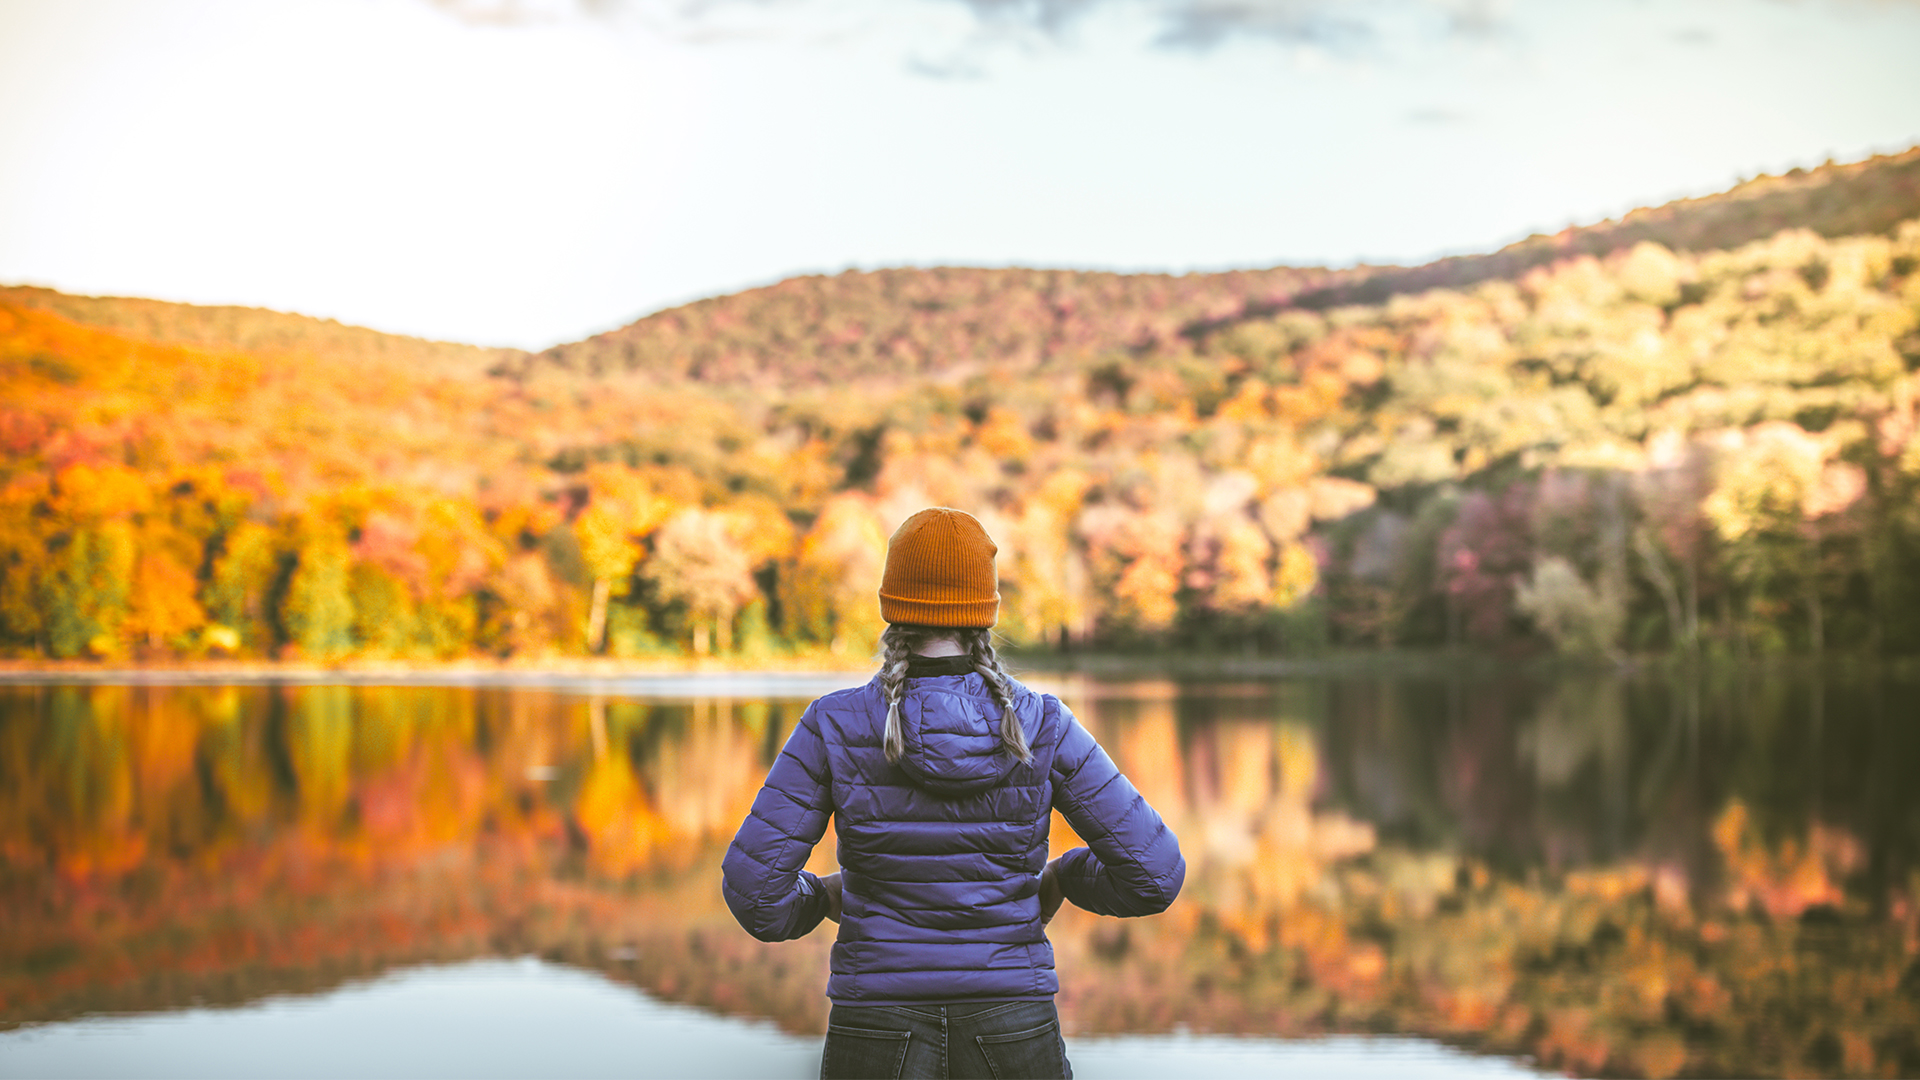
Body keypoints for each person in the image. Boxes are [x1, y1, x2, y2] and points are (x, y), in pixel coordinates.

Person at [722, 507, 1185, 1080]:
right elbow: (1155, 873)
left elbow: (755, 892)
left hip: (875, 1025)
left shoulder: (834, 724)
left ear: (892, 606)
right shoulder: (1044, 723)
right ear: (983, 614)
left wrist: (822, 899)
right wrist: (1062, 878)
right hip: (1014, 1021)